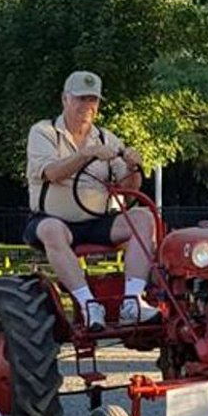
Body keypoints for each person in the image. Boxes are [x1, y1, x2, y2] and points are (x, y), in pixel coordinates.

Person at [23, 71, 160, 330]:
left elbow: (127, 188)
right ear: (65, 99)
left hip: (97, 220)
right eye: (81, 99)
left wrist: (133, 167)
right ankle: (89, 305)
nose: (87, 107)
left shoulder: (107, 138)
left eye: (93, 100)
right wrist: (87, 154)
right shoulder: (44, 132)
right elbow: (52, 172)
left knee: (144, 218)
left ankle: (132, 302)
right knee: (52, 230)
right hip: (54, 219)